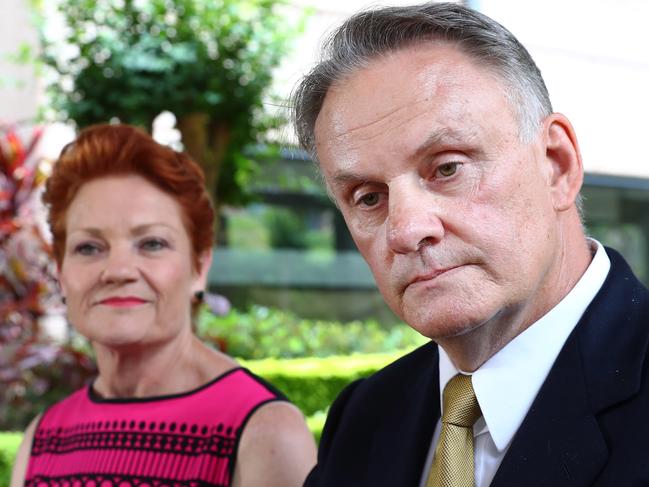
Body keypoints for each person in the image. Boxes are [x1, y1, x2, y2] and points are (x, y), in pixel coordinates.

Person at [293, 2, 649, 486]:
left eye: (447, 168)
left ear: (557, 164)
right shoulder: (365, 417)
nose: (406, 229)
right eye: (369, 197)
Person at [11, 124, 316, 487]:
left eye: (152, 243)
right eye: (89, 248)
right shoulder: (42, 440)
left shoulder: (264, 433)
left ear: (199, 267)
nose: (118, 271)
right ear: (62, 273)